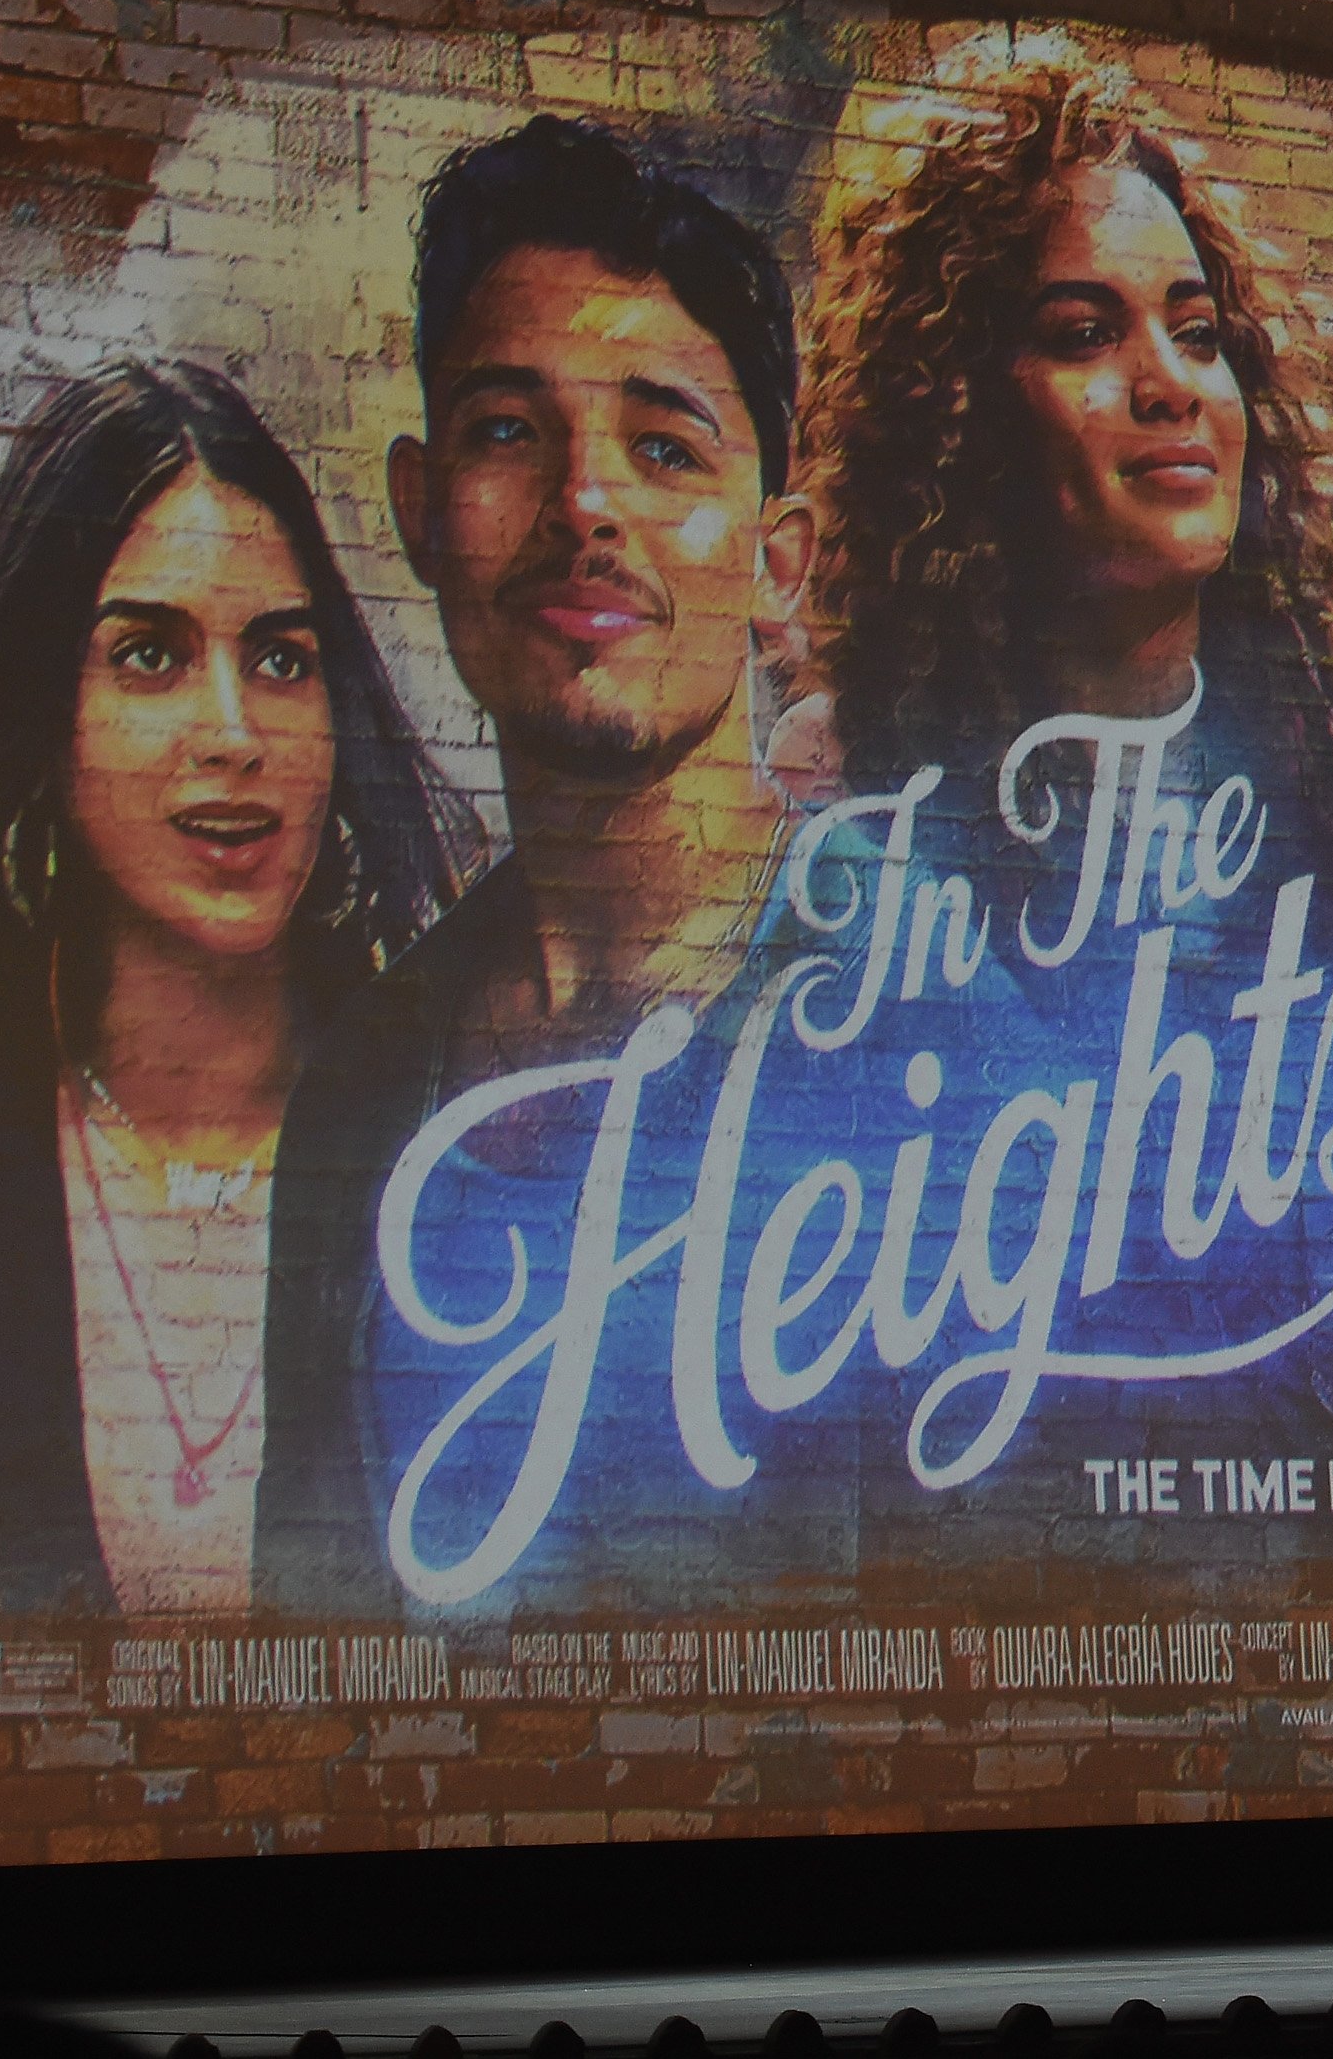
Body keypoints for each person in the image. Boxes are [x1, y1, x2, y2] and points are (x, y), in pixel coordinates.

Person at [0, 361, 471, 1618]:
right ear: (44, 711)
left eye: (281, 659)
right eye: (149, 655)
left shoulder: (446, 1116)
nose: (233, 730)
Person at [255, 113, 835, 1612]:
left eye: (664, 446)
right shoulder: (364, 1083)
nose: (585, 504)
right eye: (509, 432)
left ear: (777, 560)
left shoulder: (925, 1003)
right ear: (418, 510)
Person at [792, 39, 1333, 972]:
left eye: (1198, 333)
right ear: (956, 411)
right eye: (1087, 334)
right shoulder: (852, 794)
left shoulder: (1327, 789)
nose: (1170, 385)